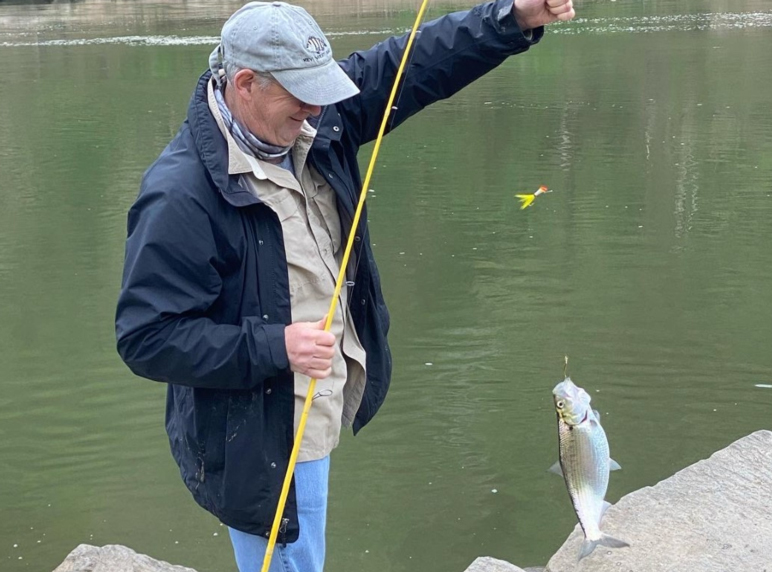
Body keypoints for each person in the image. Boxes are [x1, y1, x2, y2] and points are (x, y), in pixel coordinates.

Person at [115, 0, 575, 570]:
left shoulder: (316, 119)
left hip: (320, 402)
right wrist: (275, 346)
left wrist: (512, 17)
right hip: (264, 433)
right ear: (246, 83)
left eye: (320, 90)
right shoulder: (180, 195)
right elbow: (147, 337)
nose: (315, 109)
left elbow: (412, 64)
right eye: (299, 95)